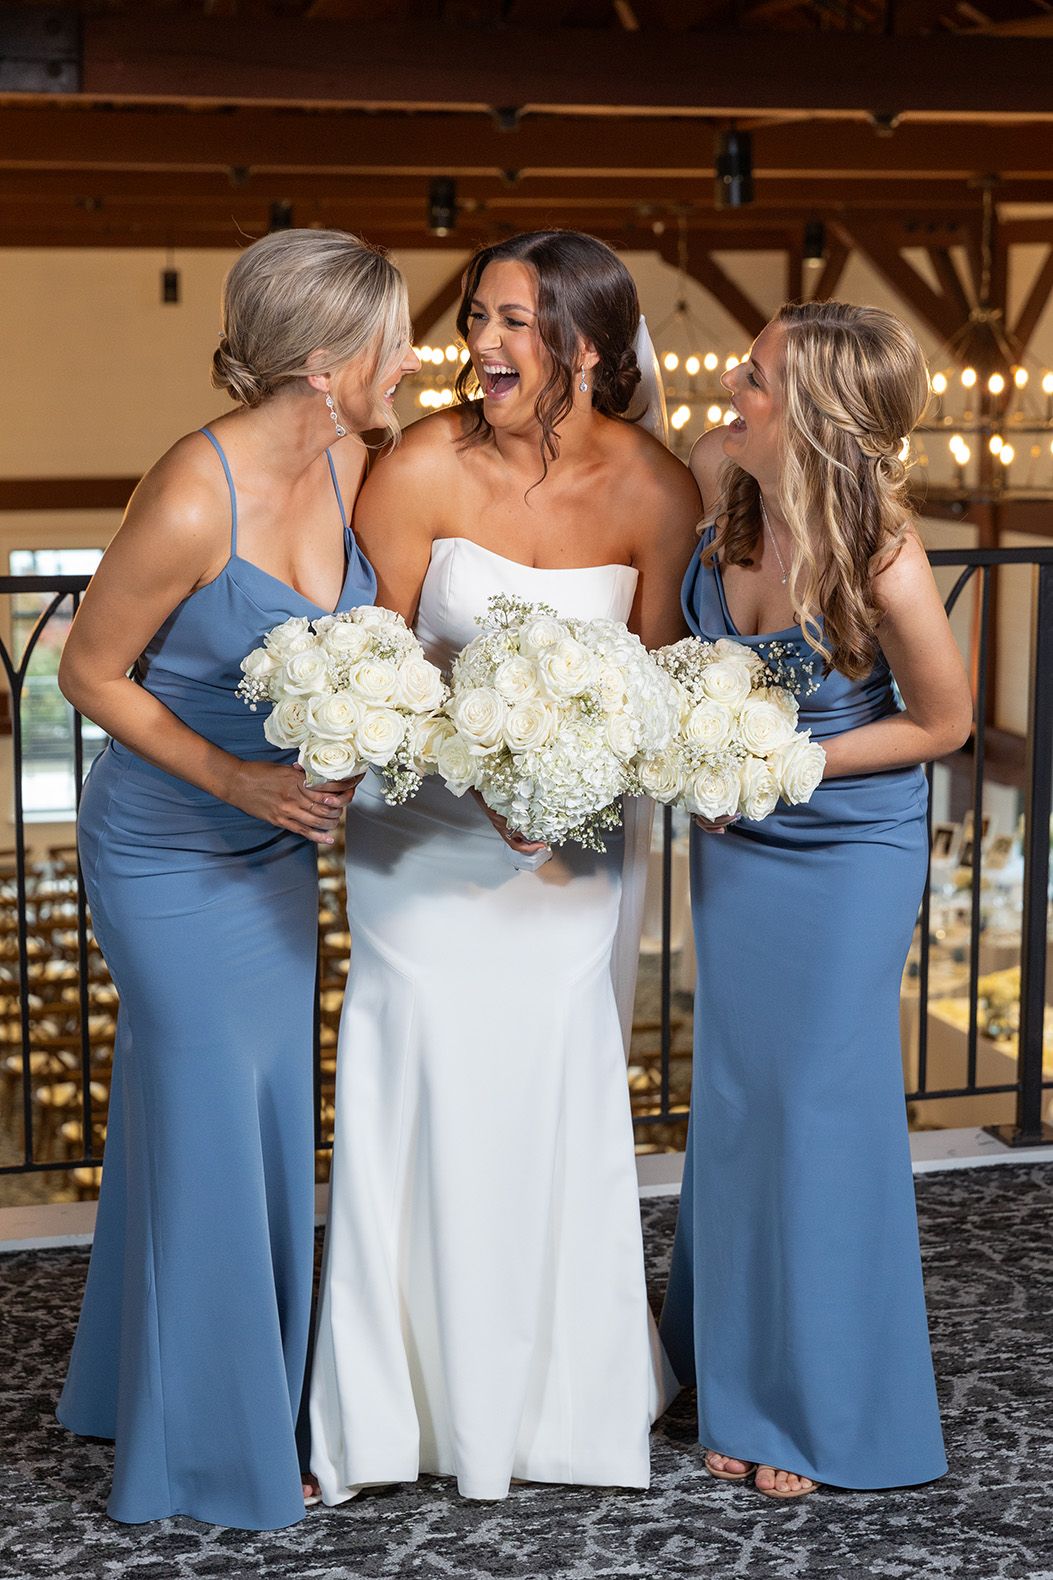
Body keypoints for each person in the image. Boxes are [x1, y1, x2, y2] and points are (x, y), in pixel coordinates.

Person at [309, 230, 700, 1503]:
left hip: (571, 858)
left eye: (512, 321)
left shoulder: (657, 489)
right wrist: (480, 772)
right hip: (423, 837)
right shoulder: (419, 464)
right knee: (416, 1069)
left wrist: (573, 782)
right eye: (477, 315)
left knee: (547, 1084)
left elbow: (658, 688)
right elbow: (375, 663)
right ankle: (389, 1410)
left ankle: (561, 1402)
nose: (479, 341)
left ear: (584, 344)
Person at [56, 228, 417, 1529]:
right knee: (213, 1114)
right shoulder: (192, 495)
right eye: (393, 339)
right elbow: (87, 672)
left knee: (241, 1117)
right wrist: (238, 779)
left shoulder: (353, 455)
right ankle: (213, 1452)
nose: (410, 359)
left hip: (274, 851)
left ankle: (145, 1383)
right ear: (326, 362)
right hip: (168, 844)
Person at [659, 300, 973, 1498]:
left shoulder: (884, 553)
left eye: (754, 377)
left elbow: (943, 721)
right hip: (738, 844)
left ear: (816, 413)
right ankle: (731, 1368)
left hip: (846, 847)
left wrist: (777, 763)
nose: (731, 391)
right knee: (742, 1099)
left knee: (818, 1104)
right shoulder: (718, 475)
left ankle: (820, 1398)